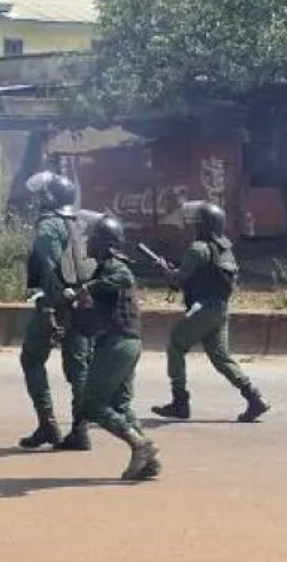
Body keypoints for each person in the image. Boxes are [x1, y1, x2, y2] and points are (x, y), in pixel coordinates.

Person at [149, 201, 270, 423]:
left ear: (202, 225)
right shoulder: (225, 249)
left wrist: (164, 269)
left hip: (202, 309)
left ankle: (180, 401)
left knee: (176, 345)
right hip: (221, 309)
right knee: (222, 358)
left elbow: (179, 278)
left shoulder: (198, 249)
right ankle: (254, 397)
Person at [72, 215, 162, 481]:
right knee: (120, 405)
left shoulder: (115, 267)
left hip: (118, 343)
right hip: (124, 342)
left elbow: (119, 280)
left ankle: (139, 444)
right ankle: (148, 461)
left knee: (91, 405)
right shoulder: (105, 269)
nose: (88, 242)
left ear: (104, 244)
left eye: (93, 239)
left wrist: (84, 289)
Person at [19, 171, 95, 451]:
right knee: (79, 368)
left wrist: (52, 304)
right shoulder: (79, 222)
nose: (36, 200)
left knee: (32, 359)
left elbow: (49, 268)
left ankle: (47, 424)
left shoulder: (48, 226)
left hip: (54, 304)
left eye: (40, 196)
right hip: (82, 302)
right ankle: (81, 429)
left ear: (48, 197)